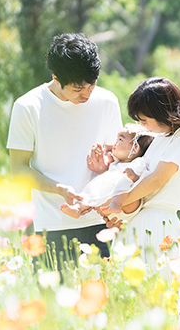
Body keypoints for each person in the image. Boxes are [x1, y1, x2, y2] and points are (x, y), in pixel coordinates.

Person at [7, 33, 123, 261]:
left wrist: (105, 168)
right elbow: (18, 169)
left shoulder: (107, 101)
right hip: (50, 225)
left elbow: (118, 160)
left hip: (98, 223)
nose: (87, 94)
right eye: (78, 89)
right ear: (56, 78)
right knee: (51, 296)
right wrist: (60, 188)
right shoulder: (28, 107)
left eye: (92, 85)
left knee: (102, 296)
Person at [90, 77, 180, 267]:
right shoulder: (160, 138)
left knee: (157, 286)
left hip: (157, 221)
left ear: (161, 112)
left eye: (145, 120)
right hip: (139, 219)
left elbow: (156, 180)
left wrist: (116, 203)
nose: (143, 126)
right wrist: (119, 214)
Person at [60, 124, 154, 220]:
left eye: (120, 140)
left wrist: (134, 177)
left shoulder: (139, 162)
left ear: (134, 148)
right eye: (116, 139)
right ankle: (77, 208)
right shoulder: (115, 164)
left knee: (124, 180)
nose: (115, 143)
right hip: (110, 205)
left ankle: (115, 205)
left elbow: (143, 182)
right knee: (92, 187)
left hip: (130, 204)